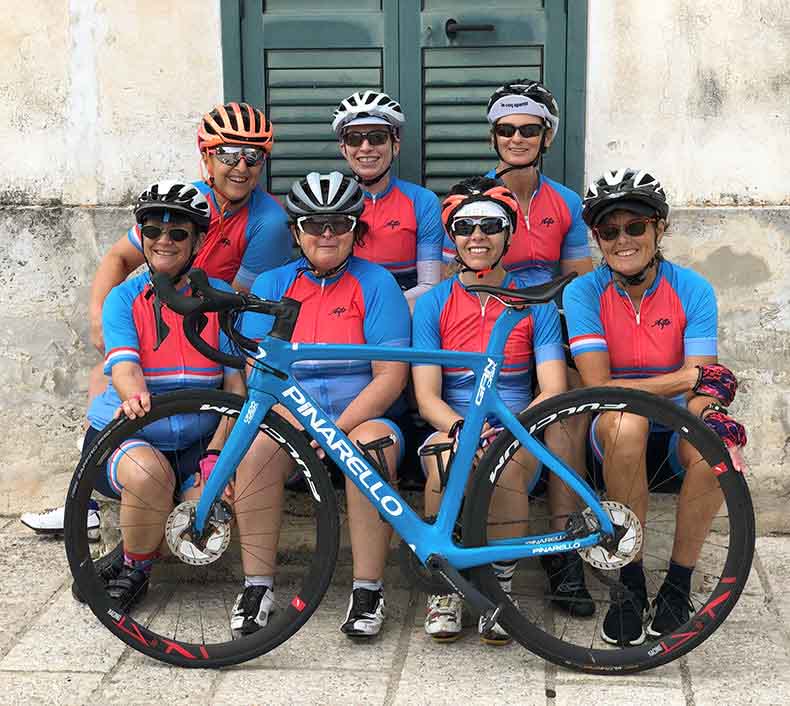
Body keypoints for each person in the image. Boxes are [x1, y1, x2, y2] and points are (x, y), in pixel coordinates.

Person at [21, 102, 291, 536]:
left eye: (253, 156)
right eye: (228, 154)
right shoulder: (179, 204)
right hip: (165, 304)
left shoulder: (269, 221)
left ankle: (175, 482)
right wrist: (99, 316)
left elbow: (237, 300)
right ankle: (88, 498)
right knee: (107, 377)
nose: (240, 166)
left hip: (212, 316)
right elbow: (119, 257)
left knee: (215, 385)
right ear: (207, 156)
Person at [562, 167, 748, 646]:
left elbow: (702, 385)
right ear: (598, 240)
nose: (622, 239)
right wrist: (685, 378)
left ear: (659, 228)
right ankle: (630, 582)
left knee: (713, 453)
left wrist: (709, 417)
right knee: (626, 426)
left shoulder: (693, 289)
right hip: (618, 425)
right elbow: (601, 387)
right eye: (609, 231)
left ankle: (678, 583)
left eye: (635, 226)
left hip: (677, 422)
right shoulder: (583, 291)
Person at [412, 177, 594, 645]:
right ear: (451, 236)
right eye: (464, 226)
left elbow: (552, 386)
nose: (477, 236)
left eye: (491, 226)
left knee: (506, 465)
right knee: (443, 459)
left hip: (517, 424)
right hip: (450, 422)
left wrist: (507, 432)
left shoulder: (534, 303)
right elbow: (427, 395)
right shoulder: (434, 303)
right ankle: (447, 586)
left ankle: (500, 585)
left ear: (509, 235)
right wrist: (461, 430)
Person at [231, 171, 411, 640]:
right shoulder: (271, 284)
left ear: (356, 228)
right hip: (290, 415)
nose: (326, 233)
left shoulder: (378, 284)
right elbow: (258, 371)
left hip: (363, 416)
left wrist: (332, 430)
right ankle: (257, 586)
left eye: (338, 223)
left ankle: (368, 588)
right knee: (255, 451)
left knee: (368, 447)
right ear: (296, 232)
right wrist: (299, 424)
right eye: (314, 224)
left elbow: (390, 377)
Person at [73, 180, 245, 609]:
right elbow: (125, 366)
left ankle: (130, 552)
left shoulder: (219, 301)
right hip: (132, 433)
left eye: (178, 233)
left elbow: (234, 386)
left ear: (198, 240)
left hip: (197, 443)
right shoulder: (123, 299)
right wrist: (133, 396)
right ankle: (137, 569)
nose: (164, 241)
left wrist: (217, 455)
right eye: (152, 231)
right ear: (142, 237)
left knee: (201, 517)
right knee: (151, 475)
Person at [441, 79, 592, 281]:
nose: (517, 139)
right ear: (493, 138)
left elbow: (579, 282)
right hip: (490, 308)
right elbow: (451, 284)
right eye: (505, 130)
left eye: (529, 130)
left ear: (546, 137)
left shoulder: (568, 202)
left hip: (549, 309)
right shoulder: (467, 201)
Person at [332, 91, 443, 308]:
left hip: (404, 309)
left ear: (395, 145)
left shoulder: (422, 201)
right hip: (344, 310)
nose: (365, 147)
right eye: (354, 139)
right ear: (344, 149)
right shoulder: (332, 202)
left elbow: (430, 284)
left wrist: (380, 309)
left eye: (377, 137)